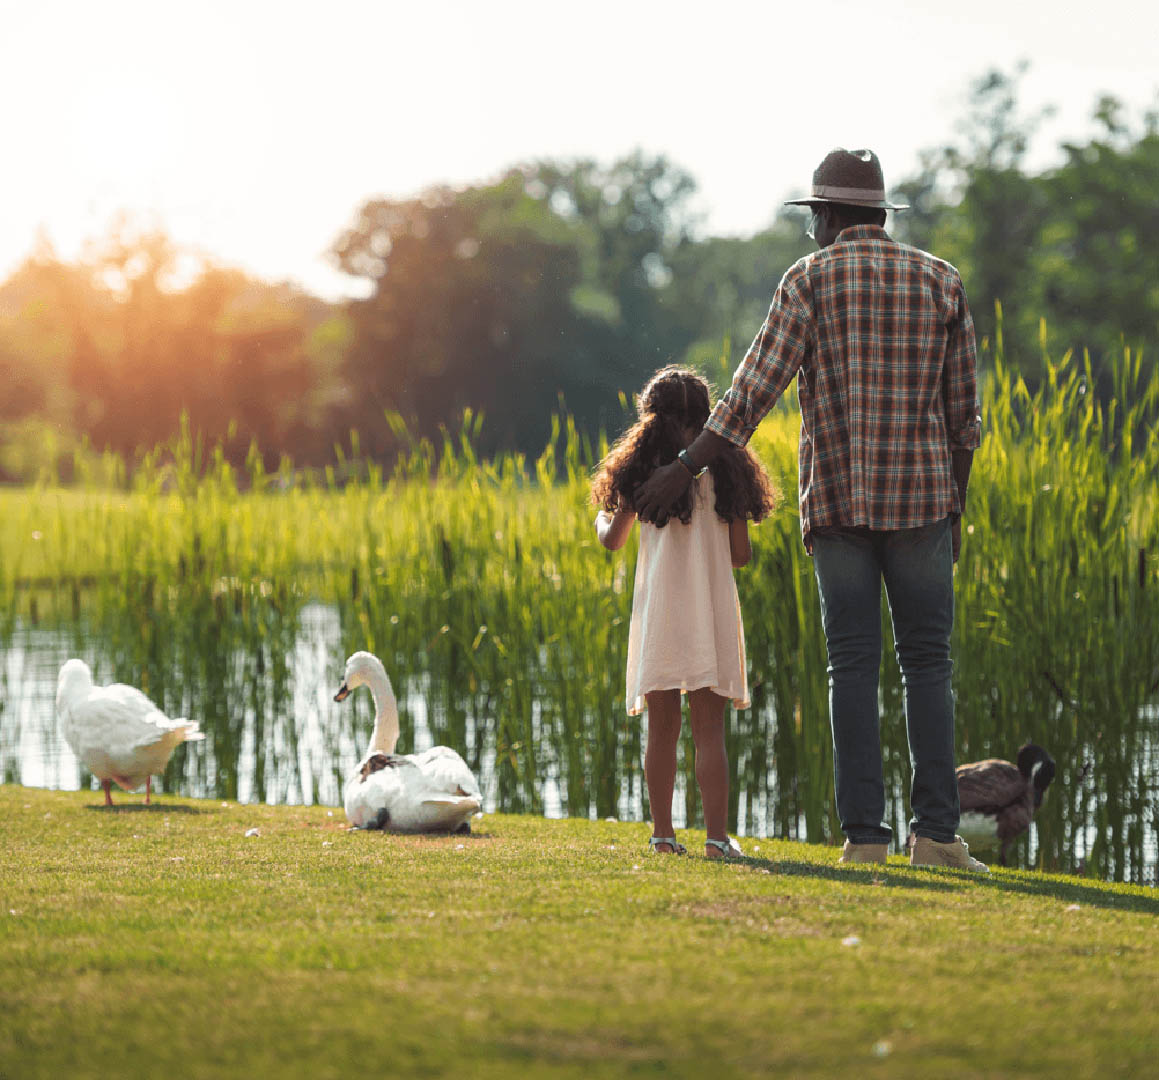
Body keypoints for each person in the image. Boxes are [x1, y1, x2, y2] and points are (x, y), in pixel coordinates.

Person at [634, 149, 987, 871]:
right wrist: (954, 508)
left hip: (838, 505)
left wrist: (681, 467)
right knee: (927, 666)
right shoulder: (939, 281)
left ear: (825, 216)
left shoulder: (809, 279)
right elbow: (963, 421)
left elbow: (748, 395)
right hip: (924, 500)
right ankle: (936, 839)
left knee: (850, 668)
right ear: (880, 215)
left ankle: (864, 840)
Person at [592, 366, 776, 858]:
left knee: (662, 729)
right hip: (710, 615)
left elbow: (613, 541)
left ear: (650, 418)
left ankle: (663, 836)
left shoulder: (638, 475)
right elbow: (740, 556)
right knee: (709, 731)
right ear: (707, 416)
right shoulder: (728, 471)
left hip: (660, 617)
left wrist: (599, 519)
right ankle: (717, 839)